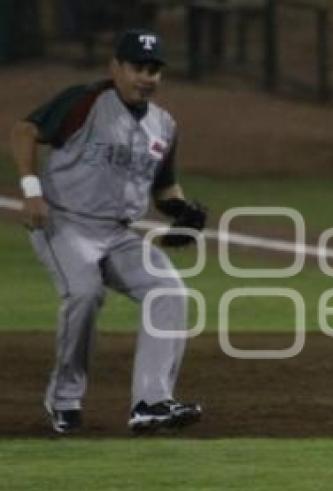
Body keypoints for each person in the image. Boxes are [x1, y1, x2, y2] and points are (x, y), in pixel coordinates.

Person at [9, 29, 205, 434]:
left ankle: (151, 403)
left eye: (154, 69)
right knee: (84, 293)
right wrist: (31, 191)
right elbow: (24, 131)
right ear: (115, 67)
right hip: (63, 222)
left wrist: (183, 210)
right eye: (137, 67)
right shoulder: (84, 101)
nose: (146, 77)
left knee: (169, 290)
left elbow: (164, 187)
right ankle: (63, 397)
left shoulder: (163, 125)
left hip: (118, 234)